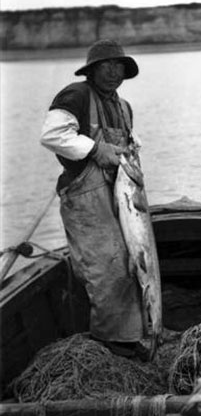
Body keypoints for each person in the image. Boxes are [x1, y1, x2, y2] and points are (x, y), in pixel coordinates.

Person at [40, 39, 149, 360]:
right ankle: (110, 343)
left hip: (120, 195)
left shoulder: (123, 106)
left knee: (131, 263)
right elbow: (52, 135)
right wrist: (95, 149)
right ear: (92, 70)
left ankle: (130, 335)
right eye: (107, 65)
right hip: (85, 197)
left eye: (120, 66)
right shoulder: (75, 96)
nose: (114, 72)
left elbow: (131, 146)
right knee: (107, 267)